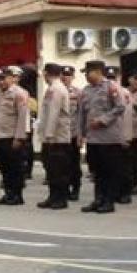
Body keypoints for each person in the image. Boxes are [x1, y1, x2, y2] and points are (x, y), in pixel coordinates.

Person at [77, 61, 127, 213]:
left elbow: (120, 106)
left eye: (88, 72)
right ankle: (98, 199)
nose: (86, 75)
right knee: (96, 171)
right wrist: (80, 134)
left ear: (98, 72)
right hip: (93, 139)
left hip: (109, 138)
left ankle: (108, 201)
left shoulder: (111, 87)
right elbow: (81, 114)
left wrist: (102, 120)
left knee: (109, 171)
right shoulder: (85, 91)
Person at [0, 66, 31, 205]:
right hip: (0, 136)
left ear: (11, 78)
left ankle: (17, 195)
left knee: (15, 167)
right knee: (4, 167)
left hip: (12, 136)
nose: (1, 82)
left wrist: (19, 137)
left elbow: (22, 117)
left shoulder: (19, 93)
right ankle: (8, 193)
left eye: (4, 78)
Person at [36, 63, 73, 208]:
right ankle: (53, 196)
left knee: (58, 170)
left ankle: (60, 199)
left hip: (57, 137)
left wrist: (49, 135)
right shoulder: (54, 88)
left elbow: (53, 113)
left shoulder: (56, 89)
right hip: (53, 137)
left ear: (47, 73)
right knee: (51, 170)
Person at [60, 65, 84, 200]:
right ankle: (64, 188)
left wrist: (81, 134)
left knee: (74, 163)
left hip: (73, 133)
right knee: (61, 164)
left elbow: (82, 114)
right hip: (60, 134)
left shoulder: (78, 93)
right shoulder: (54, 91)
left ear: (73, 77)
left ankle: (75, 188)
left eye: (68, 75)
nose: (65, 77)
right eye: (63, 74)